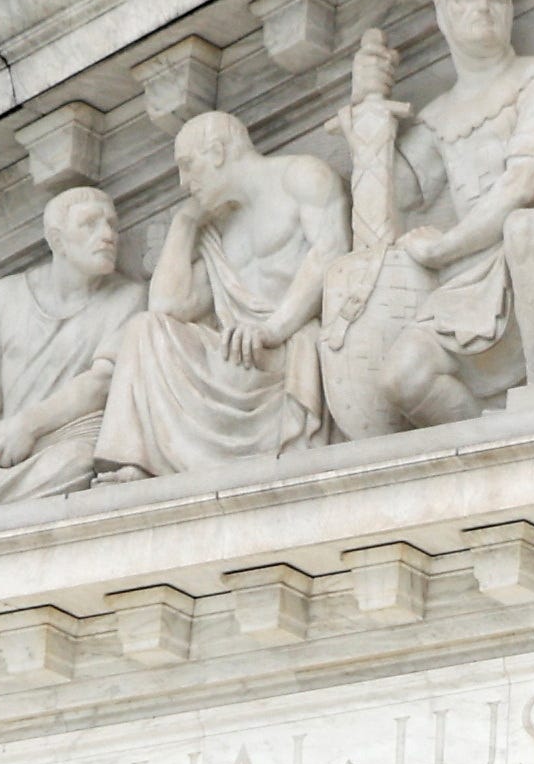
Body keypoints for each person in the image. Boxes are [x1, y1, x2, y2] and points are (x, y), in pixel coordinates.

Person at [328, 0, 534, 431]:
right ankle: (494, 447)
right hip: (467, 286)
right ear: (442, 17)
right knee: (403, 376)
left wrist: (446, 245)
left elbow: (529, 181)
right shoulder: (440, 117)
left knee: (525, 226)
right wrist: (368, 105)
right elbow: (385, 218)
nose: (483, 7)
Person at [94, 108, 348, 484]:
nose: (183, 182)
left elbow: (331, 252)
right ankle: (141, 462)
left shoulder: (301, 176)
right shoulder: (218, 225)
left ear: (216, 152)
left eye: (187, 165)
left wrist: (273, 329)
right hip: (236, 357)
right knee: (144, 330)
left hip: (284, 349)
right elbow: (167, 307)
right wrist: (185, 223)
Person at [0, 183, 147, 512]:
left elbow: (101, 382)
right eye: (90, 224)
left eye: (112, 224)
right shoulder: (4, 297)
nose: (108, 234)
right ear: (57, 240)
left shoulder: (128, 297)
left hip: (66, 445)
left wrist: (26, 425)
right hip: (2, 455)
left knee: (78, 462)